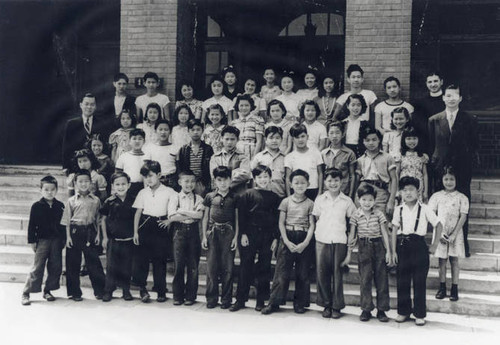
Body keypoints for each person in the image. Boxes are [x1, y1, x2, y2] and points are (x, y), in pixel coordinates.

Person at [428, 84, 478, 257]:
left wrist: (465, 164)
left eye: (454, 96)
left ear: (460, 98)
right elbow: (431, 146)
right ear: (443, 98)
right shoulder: (434, 120)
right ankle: (438, 243)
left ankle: (463, 243)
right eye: (448, 96)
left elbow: (473, 145)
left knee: (462, 206)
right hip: (440, 170)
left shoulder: (470, 119)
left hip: (461, 170)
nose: (451, 99)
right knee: (439, 208)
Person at [261, 169, 315, 315]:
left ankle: (300, 304)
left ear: (308, 184)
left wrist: (305, 243)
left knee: (302, 273)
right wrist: (285, 240)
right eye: (296, 183)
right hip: (287, 237)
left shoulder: (310, 203)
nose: (299, 185)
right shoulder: (285, 201)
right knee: (281, 272)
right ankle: (274, 303)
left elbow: (312, 226)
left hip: (304, 237)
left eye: (303, 183)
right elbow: (281, 223)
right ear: (291, 184)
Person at [392, 176, 442, 326]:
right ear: (400, 192)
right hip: (402, 246)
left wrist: (434, 245)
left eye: (411, 190)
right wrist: (393, 250)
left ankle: (419, 314)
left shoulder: (425, 208)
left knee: (419, 281)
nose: (408, 193)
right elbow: (394, 230)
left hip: (419, 246)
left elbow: (438, 225)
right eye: (405, 190)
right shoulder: (398, 209)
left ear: (418, 191)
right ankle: (403, 312)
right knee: (402, 280)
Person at [230, 165, 281, 312]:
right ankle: (240, 300)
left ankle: (261, 300)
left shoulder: (275, 197)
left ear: (270, 178)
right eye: (260, 177)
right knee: (246, 266)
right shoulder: (247, 194)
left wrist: (275, 238)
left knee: (264, 267)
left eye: (266, 177)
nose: (263, 180)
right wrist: (243, 234)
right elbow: (242, 216)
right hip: (250, 234)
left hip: (267, 236)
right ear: (254, 179)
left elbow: (276, 220)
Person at [312, 168, 356, 319]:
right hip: (322, 239)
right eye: (330, 180)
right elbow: (317, 218)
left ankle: (337, 306)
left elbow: (353, 222)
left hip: (339, 240)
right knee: (322, 273)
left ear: (342, 182)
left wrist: (350, 240)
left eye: (336, 180)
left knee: (337, 274)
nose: (333, 183)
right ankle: (326, 304)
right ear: (324, 182)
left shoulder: (347, 201)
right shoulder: (320, 199)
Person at [132, 160, 177, 303]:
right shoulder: (142, 192)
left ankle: (161, 291)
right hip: (145, 225)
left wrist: (168, 221)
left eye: (151, 175)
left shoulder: (169, 192)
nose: (148, 179)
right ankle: (142, 289)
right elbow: (138, 213)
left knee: (159, 260)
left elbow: (173, 211)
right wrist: (135, 232)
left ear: (159, 174)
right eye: (145, 177)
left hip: (160, 226)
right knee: (142, 260)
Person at [346, 184, 391, 322]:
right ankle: (366, 309)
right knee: (365, 279)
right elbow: (352, 235)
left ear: (374, 201)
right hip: (363, 247)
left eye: (370, 200)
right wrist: (349, 252)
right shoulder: (355, 215)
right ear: (359, 199)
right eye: (364, 199)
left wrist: (388, 251)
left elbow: (384, 232)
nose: (367, 203)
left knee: (381, 279)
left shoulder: (378, 214)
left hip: (378, 247)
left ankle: (382, 310)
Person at [61, 169, 105, 301]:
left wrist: (98, 235)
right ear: (75, 183)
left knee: (94, 262)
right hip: (75, 232)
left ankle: (100, 291)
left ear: (91, 183)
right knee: (73, 263)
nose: (83, 184)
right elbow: (67, 221)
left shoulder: (96, 200)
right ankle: (75, 293)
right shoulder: (71, 201)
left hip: (90, 231)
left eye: (86, 181)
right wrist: (68, 237)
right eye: (80, 181)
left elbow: (98, 219)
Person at [21, 176, 65, 306]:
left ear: (56, 190)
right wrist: (32, 241)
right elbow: (31, 225)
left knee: (55, 266)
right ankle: (26, 293)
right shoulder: (36, 206)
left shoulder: (60, 206)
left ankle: (48, 290)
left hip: (56, 241)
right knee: (37, 267)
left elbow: (63, 225)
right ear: (41, 190)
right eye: (46, 189)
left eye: (52, 189)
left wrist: (63, 240)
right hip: (42, 241)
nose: (49, 192)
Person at [429, 166, 469, 302]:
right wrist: (440, 232)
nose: (449, 182)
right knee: (442, 261)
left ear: (457, 180)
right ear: (442, 180)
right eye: (446, 179)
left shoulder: (462, 198)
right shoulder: (436, 196)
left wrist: (453, 234)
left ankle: (454, 288)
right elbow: (431, 215)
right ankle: (442, 287)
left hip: (455, 233)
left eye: (452, 179)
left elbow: (463, 217)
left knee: (454, 260)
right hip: (441, 232)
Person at [201, 166, 239, 309]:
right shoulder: (210, 196)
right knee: (211, 267)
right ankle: (211, 298)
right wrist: (204, 236)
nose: (223, 183)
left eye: (226, 179)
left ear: (231, 180)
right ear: (215, 181)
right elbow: (205, 217)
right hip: (213, 232)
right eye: (219, 180)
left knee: (228, 267)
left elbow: (237, 220)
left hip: (228, 232)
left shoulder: (235, 197)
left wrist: (235, 237)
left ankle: (226, 299)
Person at [168, 170, 204, 305]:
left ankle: (190, 296)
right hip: (179, 232)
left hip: (194, 233)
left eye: (192, 181)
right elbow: (172, 217)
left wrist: (182, 211)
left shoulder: (199, 198)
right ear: (180, 182)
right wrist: (192, 214)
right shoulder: (174, 197)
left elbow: (200, 215)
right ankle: (177, 296)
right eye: (186, 181)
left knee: (193, 266)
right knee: (179, 265)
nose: (189, 184)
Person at [100, 172, 135, 302]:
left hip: (128, 240)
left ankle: (126, 290)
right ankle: (108, 290)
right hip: (113, 240)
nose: (121, 187)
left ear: (129, 185)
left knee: (126, 266)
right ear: (113, 186)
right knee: (111, 266)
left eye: (123, 184)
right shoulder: (109, 201)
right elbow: (103, 220)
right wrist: (105, 237)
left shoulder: (133, 200)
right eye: (117, 184)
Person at [62, 93, 110, 173]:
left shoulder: (102, 123)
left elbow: (105, 145)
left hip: (96, 167)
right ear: (81, 105)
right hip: (77, 165)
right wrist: (65, 166)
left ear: (95, 106)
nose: (89, 107)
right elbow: (66, 146)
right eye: (86, 104)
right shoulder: (71, 124)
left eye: (92, 104)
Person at [355, 126, 397, 217]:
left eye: (374, 140)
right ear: (363, 141)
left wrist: (391, 200)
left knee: (380, 219)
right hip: (363, 190)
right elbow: (357, 180)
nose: (371, 143)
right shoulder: (360, 160)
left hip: (381, 192)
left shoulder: (387, 157)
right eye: (367, 140)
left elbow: (394, 179)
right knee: (362, 219)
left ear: (379, 140)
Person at [284, 123, 324, 200]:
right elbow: (287, 178)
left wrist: (319, 192)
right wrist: (289, 196)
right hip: (296, 191)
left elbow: (320, 173)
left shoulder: (316, 153)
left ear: (307, 137)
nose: (300, 140)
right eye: (297, 137)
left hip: (313, 190)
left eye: (303, 136)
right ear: (292, 139)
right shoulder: (289, 157)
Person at [177, 119, 214, 196]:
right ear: (188, 131)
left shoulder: (208, 148)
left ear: (202, 130)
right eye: (192, 130)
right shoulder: (184, 149)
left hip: (202, 182)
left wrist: (206, 184)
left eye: (198, 129)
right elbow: (181, 167)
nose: (195, 132)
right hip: (188, 182)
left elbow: (210, 167)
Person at [321, 121, 356, 198]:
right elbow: (321, 174)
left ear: (343, 134)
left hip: (344, 191)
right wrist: (320, 192)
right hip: (327, 192)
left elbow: (352, 175)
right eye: (331, 133)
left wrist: (350, 194)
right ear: (327, 135)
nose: (334, 136)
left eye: (337, 133)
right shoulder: (323, 153)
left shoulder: (349, 153)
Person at [413, 71, 446, 153]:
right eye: (430, 82)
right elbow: (418, 124)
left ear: (441, 82)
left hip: (445, 140)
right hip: (427, 141)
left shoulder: (448, 100)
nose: (433, 84)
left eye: (435, 81)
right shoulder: (420, 102)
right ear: (426, 84)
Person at [251, 126, 286, 199]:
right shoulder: (259, 157)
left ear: (281, 139)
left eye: (277, 138)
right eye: (271, 138)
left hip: (280, 196)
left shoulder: (285, 158)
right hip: (262, 197)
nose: (274, 141)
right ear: (265, 139)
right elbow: (252, 177)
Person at [143, 119, 179, 190]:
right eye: (160, 129)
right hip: (155, 181)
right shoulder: (150, 147)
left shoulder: (175, 148)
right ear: (155, 131)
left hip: (171, 181)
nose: (163, 132)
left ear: (170, 132)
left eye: (166, 130)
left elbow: (178, 168)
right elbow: (146, 169)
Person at [115, 128, 147, 199]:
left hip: (144, 187)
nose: (137, 141)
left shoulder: (147, 157)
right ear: (129, 141)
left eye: (140, 139)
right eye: (134, 138)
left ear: (144, 141)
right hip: (128, 188)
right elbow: (117, 175)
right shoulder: (123, 156)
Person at [399, 126, 429, 202]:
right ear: (403, 140)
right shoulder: (400, 156)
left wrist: (425, 191)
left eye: (414, 138)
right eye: (408, 139)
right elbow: (397, 173)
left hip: (418, 186)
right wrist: (397, 191)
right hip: (404, 186)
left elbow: (425, 174)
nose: (412, 141)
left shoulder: (422, 156)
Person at [230, 94, 264, 161]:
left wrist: (254, 158)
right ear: (237, 106)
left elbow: (259, 141)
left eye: (247, 105)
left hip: (251, 152)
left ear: (251, 106)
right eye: (241, 105)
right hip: (237, 153)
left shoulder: (258, 120)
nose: (244, 108)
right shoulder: (234, 123)